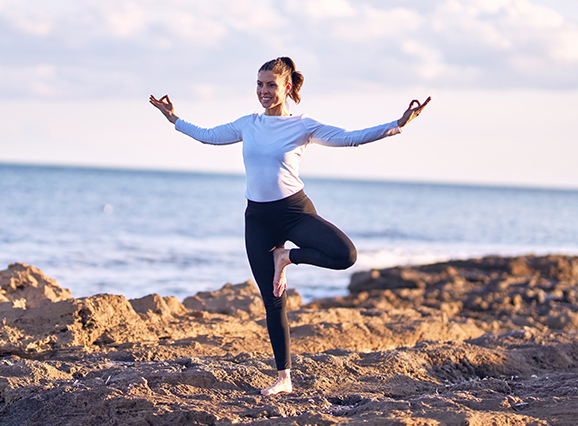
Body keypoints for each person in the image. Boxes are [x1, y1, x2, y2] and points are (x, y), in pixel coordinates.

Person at [150, 56, 430, 396]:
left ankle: (287, 258)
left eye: (270, 85)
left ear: (286, 87)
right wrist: (173, 118)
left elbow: (351, 138)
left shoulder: (303, 125)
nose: (264, 91)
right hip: (258, 220)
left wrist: (398, 123)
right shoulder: (247, 124)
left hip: (295, 211)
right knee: (273, 301)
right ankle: (284, 377)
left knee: (346, 255)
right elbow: (208, 136)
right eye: (259, 84)